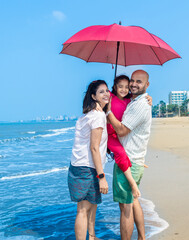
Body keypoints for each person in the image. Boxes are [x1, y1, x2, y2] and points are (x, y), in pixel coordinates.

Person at [107, 70, 152, 240]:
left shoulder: (140, 104)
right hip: (134, 161)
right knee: (132, 201)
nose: (133, 84)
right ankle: (141, 237)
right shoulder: (135, 101)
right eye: (132, 81)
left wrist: (108, 112)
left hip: (129, 162)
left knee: (125, 208)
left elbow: (121, 130)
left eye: (138, 82)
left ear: (147, 85)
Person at [68, 80, 110, 240]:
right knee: (83, 210)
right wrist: (102, 177)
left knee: (92, 205)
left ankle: (92, 237)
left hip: (79, 166)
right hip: (87, 168)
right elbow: (94, 148)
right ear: (93, 96)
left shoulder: (87, 116)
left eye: (107, 90)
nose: (106, 93)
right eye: (101, 92)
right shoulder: (98, 117)